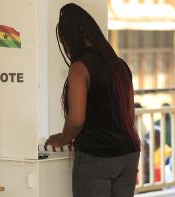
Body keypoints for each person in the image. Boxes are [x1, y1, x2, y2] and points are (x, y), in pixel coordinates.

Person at [44, 3, 141, 197]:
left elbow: (76, 119)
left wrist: (61, 138)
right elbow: (129, 115)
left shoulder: (80, 68)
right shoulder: (119, 65)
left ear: (72, 37)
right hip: (128, 154)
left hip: (96, 157)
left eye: (64, 41)